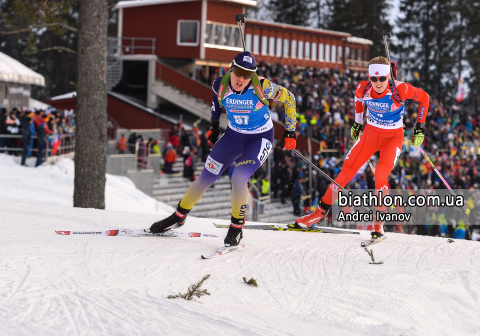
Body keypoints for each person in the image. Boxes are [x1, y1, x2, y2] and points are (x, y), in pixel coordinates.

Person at [148, 51, 297, 247]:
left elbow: (290, 99)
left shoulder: (263, 87)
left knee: (238, 176)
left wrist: (290, 131)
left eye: (247, 74)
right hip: (233, 136)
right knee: (205, 177)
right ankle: (179, 216)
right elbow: (216, 105)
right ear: (231, 69)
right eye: (238, 72)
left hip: (260, 138)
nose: (241, 78)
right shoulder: (220, 85)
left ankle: (236, 228)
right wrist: (214, 127)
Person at [295, 56, 430, 240]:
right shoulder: (363, 88)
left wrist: (419, 127)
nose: (378, 83)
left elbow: (424, 98)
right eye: (373, 79)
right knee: (345, 172)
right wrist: (358, 123)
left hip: (393, 137)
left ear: (388, 76)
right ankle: (318, 214)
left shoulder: (401, 89)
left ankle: (378, 224)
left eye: (382, 78)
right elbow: (358, 102)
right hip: (370, 134)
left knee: (380, 176)